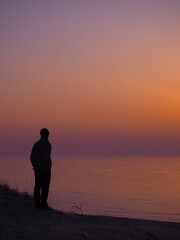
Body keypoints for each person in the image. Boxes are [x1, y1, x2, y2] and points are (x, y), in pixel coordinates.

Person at [30, 128, 52, 210]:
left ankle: (37, 204)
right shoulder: (48, 145)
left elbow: (31, 157)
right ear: (46, 135)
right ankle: (43, 204)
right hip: (45, 170)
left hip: (38, 170)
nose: (48, 135)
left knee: (37, 186)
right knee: (45, 187)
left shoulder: (36, 144)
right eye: (48, 134)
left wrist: (35, 166)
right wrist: (39, 166)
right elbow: (46, 157)